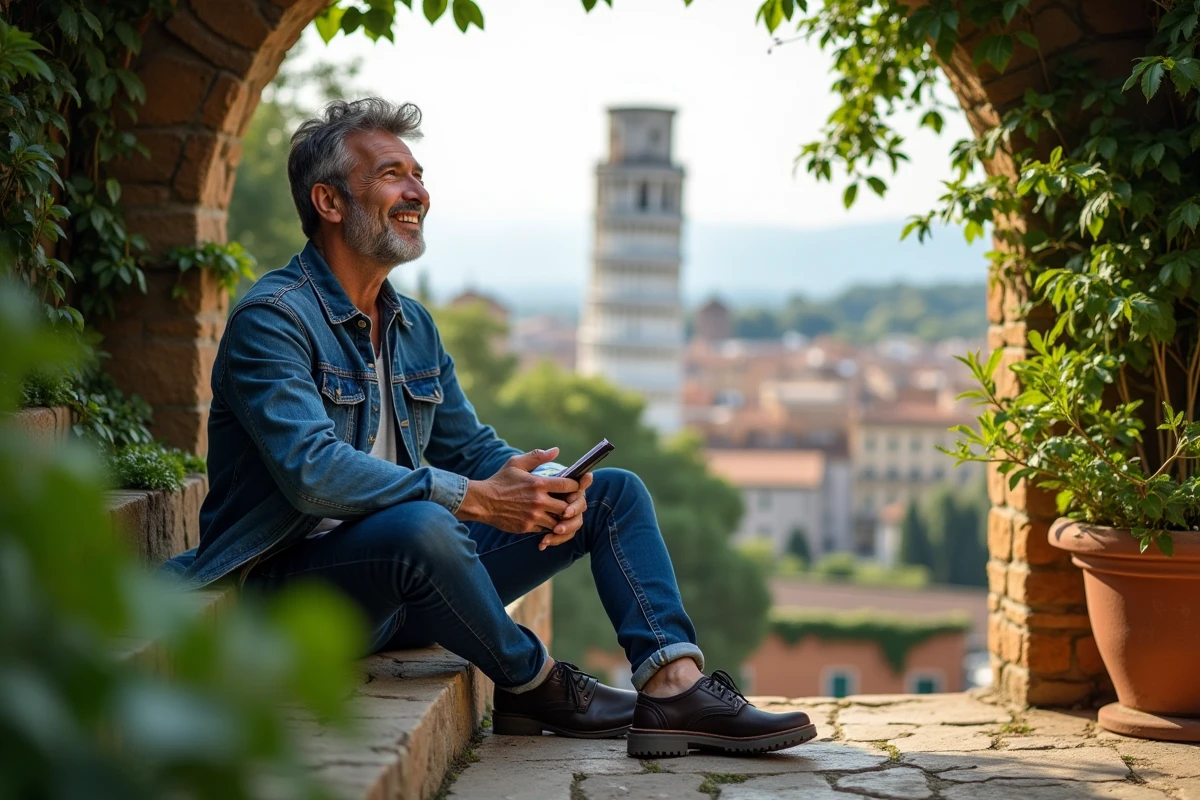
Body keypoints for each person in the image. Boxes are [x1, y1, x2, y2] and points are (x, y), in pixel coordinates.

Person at [163, 98, 816, 758]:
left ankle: (676, 690)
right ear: (330, 203)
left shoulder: (412, 325)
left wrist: (542, 489)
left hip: (404, 593)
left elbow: (470, 448)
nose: (418, 191)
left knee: (610, 494)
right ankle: (535, 684)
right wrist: (473, 498)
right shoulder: (273, 320)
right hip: (293, 597)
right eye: (393, 174)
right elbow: (312, 474)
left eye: (418, 174)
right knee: (424, 521)